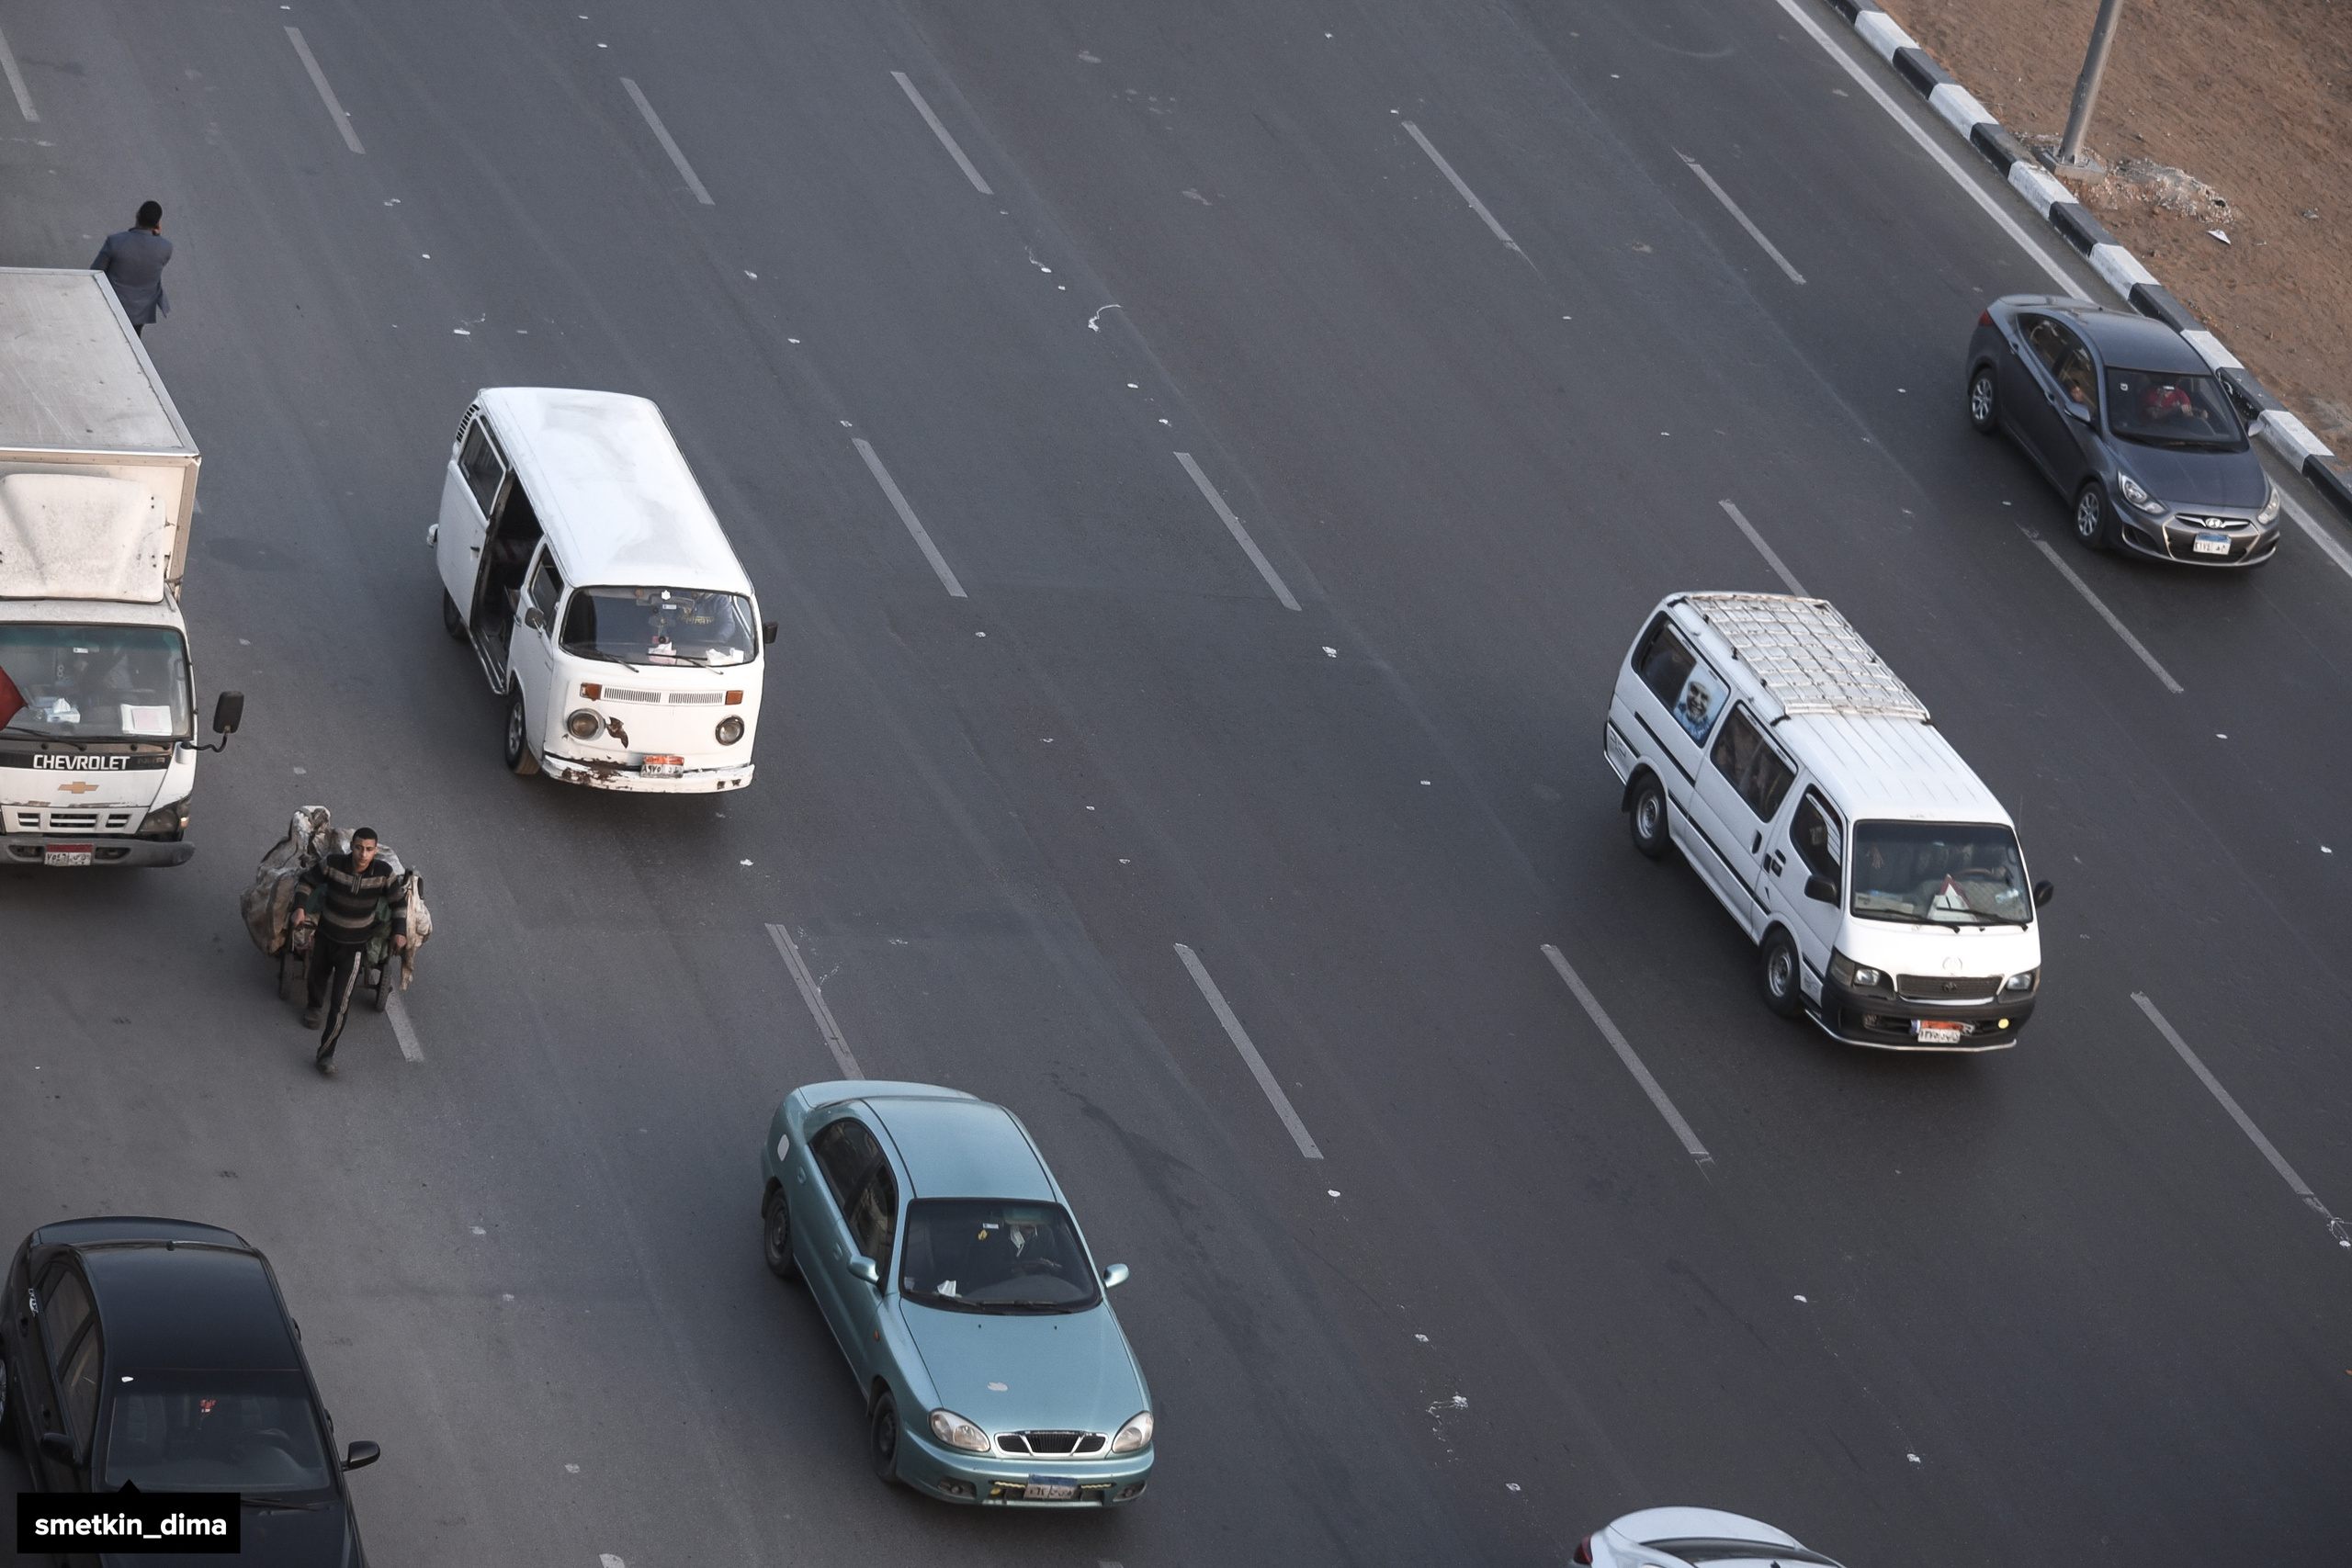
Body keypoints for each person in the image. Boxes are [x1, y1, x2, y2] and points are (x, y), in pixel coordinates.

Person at [292, 828, 407, 1073]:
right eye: (358, 848)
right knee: (316, 977)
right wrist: (299, 908)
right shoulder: (333, 864)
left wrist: (400, 931)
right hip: (325, 938)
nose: (363, 854)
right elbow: (306, 881)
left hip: (354, 949)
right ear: (351, 847)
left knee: (341, 1004)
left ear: (375, 851)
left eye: (369, 850)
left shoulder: (383, 874)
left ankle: (325, 1056)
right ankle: (314, 1006)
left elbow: (398, 902)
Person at [91, 201, 172, 335]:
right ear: (158, 224)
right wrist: (156, 236)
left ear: (137, 215)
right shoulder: (166, 248)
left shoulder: (115, 241)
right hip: (140, 312)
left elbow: (96, 271)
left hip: (111, 304)